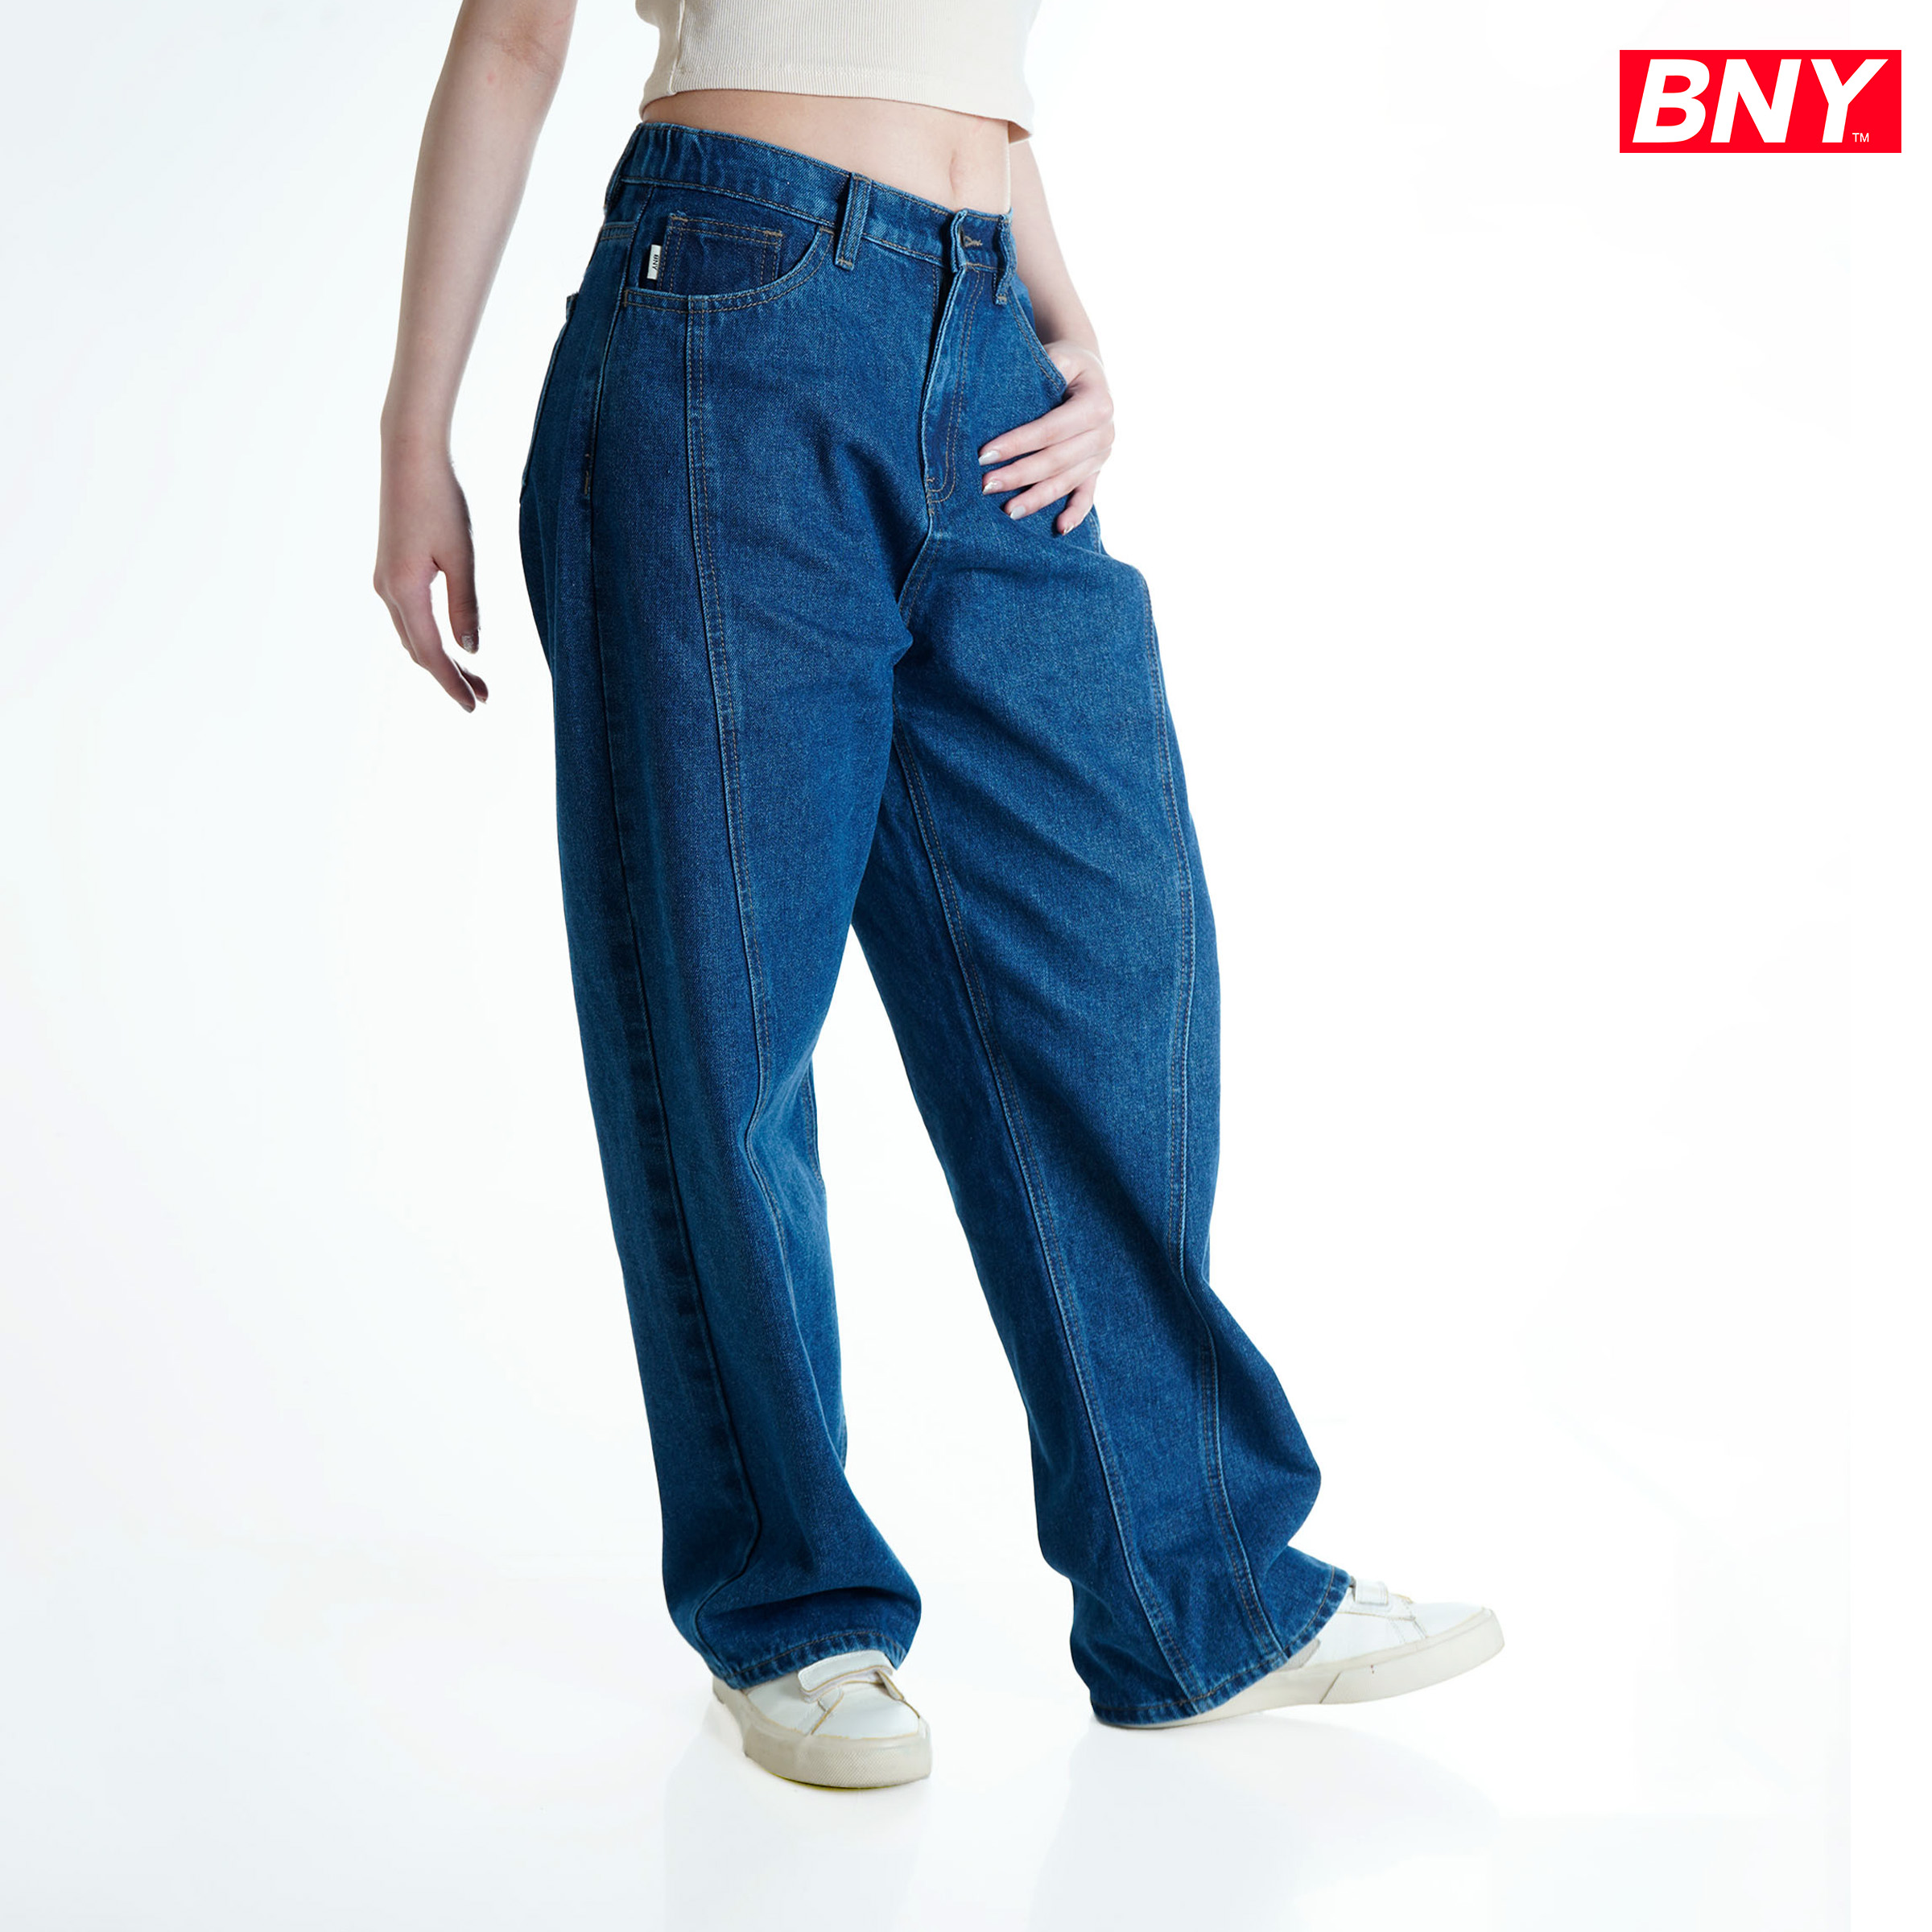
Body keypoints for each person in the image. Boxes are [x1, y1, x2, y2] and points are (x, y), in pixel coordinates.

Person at [374, 0, 1501, 1791]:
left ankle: (1198, 1597)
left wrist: (1064, 320)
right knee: (723, 1020)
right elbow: (515, 35)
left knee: (1107, 973)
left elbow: (971, 70)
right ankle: (790, 1608)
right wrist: (412, 432)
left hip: (984, 353)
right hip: (721, 315)